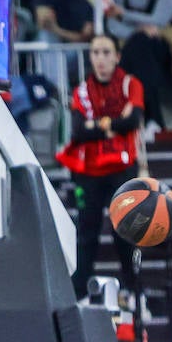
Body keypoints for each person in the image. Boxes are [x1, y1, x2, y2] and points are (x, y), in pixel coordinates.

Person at [56, 34, 144, 300]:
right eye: (95, 53)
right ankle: (79, 294)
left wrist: (100, 125)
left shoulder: (131, 85)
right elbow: (80, 131)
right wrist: (114, 123)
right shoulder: (81, 91)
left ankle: (134, 293)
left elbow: (133, 122)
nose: (101, 58)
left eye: (106, 52)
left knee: (125, 233)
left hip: (122, 170)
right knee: (86, 234)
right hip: (88, 172)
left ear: (117, 56)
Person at [106, 0, 172, 129]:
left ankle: (143, 116)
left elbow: (160, 20)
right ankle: (153, 119)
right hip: (130, 46)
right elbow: (112, 25)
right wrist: (138, 31)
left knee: (140, 45)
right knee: (139, 44)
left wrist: (123, 14)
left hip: (162, 46)